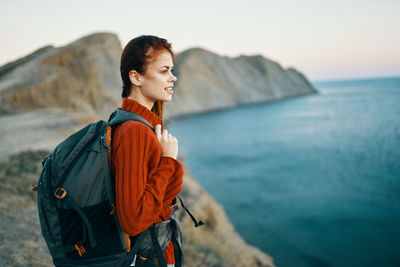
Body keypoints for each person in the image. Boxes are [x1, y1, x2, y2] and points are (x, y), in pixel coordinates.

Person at [110, 35, 183, 267]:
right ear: (136, 77)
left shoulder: (137, 124)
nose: (173, 78)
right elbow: (133, 221)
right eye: (164, 71)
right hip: (148, 257)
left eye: (172, 70)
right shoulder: (134, 132)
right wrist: (168, 161)